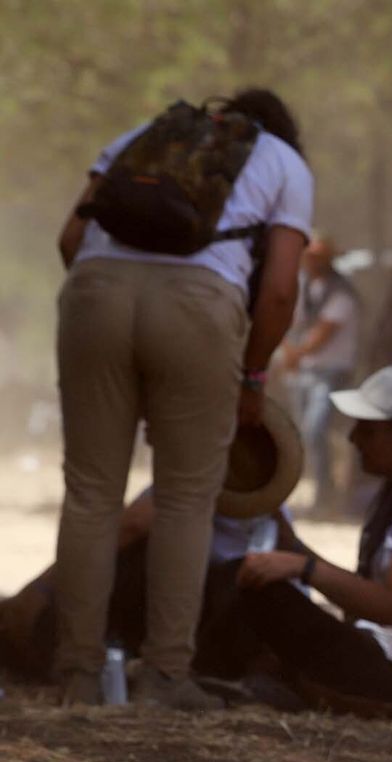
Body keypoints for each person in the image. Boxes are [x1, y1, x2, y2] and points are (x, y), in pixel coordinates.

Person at [52, 87, 313, 710]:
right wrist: (251, 375)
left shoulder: (146, 133)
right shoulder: (282, 162)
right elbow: (278, 292)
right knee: (185, 498)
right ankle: (165, 678)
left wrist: (117, 327)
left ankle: (78, 679)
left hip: (95, 290)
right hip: (199, 304)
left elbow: (70, 237)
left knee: (90, 492)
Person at [233, 365, 392, 722]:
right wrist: (293, 547)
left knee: (265, 595)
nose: (354, 439)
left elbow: (391, 607)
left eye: (368, 431)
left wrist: (304, 568)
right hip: (382, 651)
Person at [0, 488, 286, 686]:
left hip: (191, 631)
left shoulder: (187, 485)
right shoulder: (276, 512)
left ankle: (94, 666)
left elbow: (132, 526)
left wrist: (41, 588)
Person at [278, 233, 361, 514]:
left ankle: (327, 492)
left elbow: (323, 334)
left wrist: (294, 354)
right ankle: (315, 490)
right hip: (304, 369)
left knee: (316, 429)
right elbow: (289, 321)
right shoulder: (305, 287)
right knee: (303, 432)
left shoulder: (341, 293)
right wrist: (289, 349)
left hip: (330, 370)